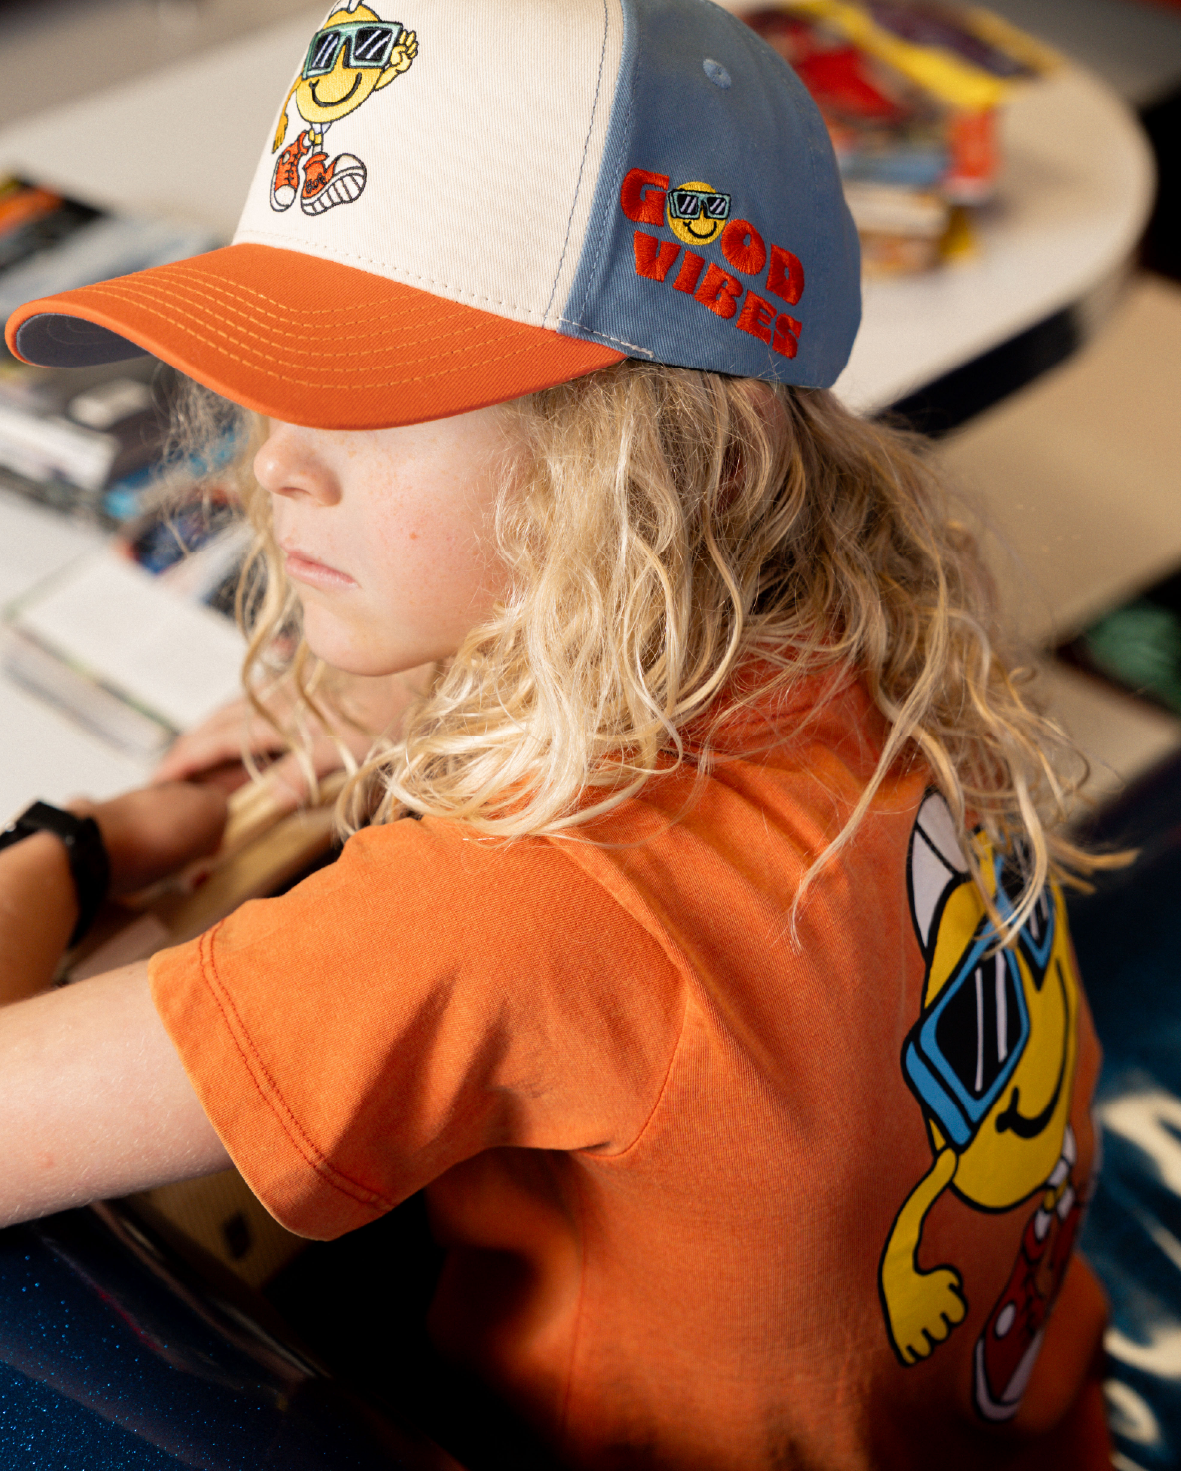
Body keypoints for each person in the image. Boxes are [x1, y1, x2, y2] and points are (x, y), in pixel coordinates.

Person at [0, 0, 1117, 1465]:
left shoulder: (513, 905)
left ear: (679, 461)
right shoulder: (872, 635)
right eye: (280, 359)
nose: (275, 460)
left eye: (378, 393)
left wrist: (83, 845)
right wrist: (388, 703)